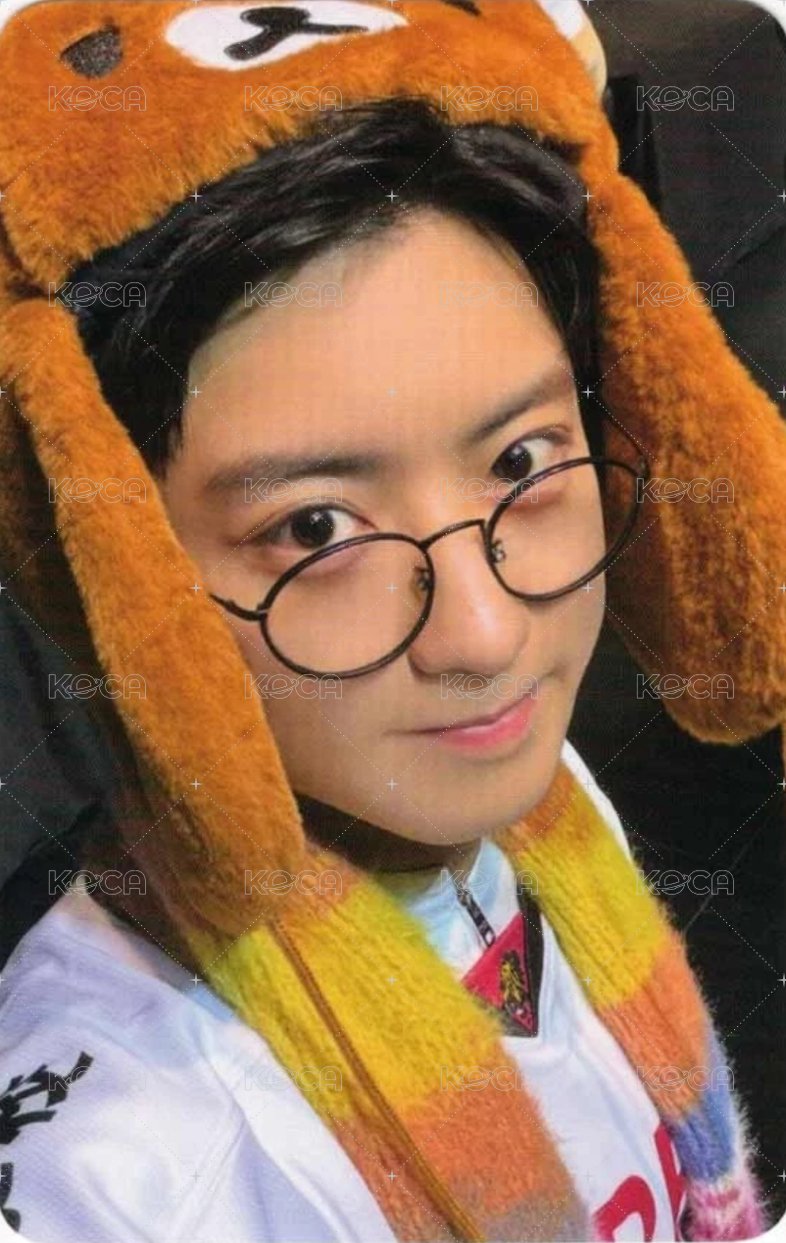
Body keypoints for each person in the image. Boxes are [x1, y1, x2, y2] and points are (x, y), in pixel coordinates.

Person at [1, 4, 783, 1242]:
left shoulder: (539, 804)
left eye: (521, 458)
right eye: (317, 530)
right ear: (120, 568)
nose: (484, 634)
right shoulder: (122, 1175)